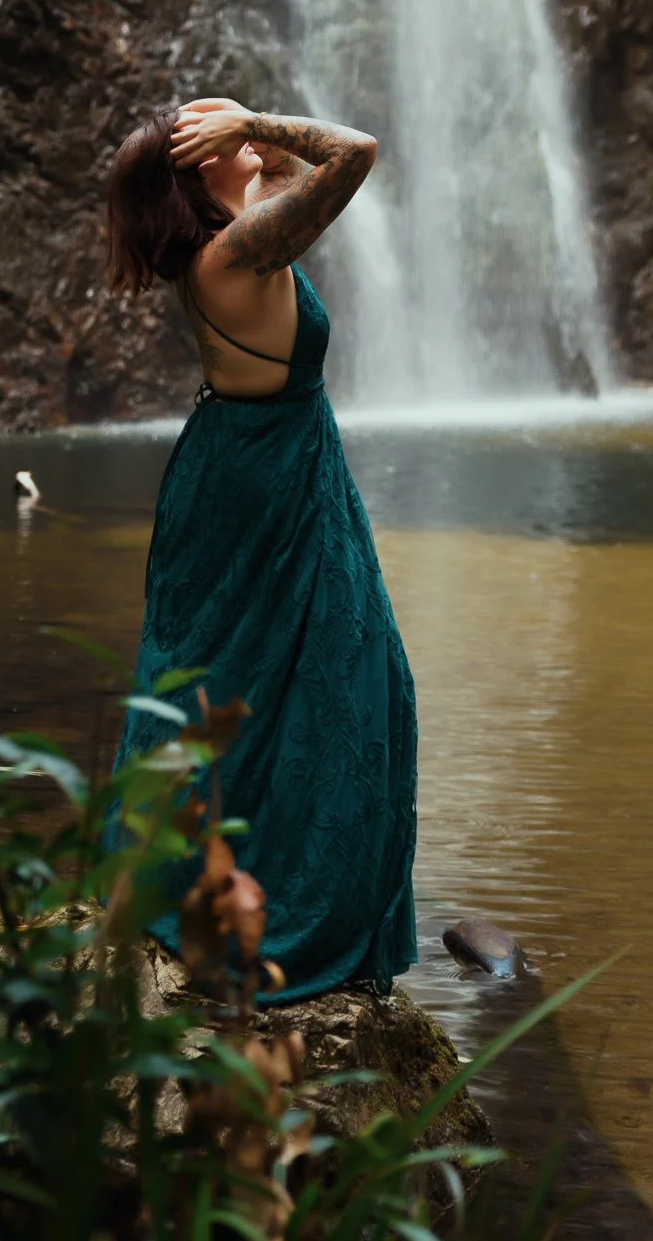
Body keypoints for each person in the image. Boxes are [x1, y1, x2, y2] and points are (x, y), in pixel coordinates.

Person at [105, 97, 417, 1001]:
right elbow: (353, 151)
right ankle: (277, 911)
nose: (245, 144)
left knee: (248, 676)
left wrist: (241, 142)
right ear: (198, 175)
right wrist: (258, 118)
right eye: (220, 144)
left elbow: (300, 175)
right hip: (265, 475)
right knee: (339, 678)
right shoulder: (236, 252)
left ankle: (213, 879)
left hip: (251, 463)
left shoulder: (241, 230)